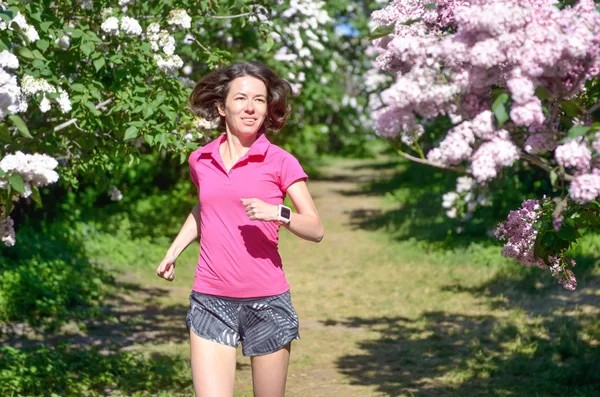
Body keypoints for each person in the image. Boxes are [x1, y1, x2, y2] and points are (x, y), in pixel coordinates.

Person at [156, 61, 324, 397]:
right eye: (241, 98)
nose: (250, 107)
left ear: (267, 109)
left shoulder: (280, 160)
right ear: (221, 106)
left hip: (267, 302)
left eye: (260, 100)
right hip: (210, 299)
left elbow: (316, 228)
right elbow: (205, 206)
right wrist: (173, 252)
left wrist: (278, 213)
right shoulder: (200, 159)